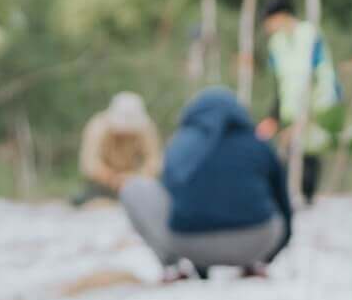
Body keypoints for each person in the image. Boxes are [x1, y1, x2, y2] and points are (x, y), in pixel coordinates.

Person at [121, 88, 292, 281]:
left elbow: (178, 202)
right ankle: (252, 265)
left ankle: (173, 268)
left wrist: (201, 266)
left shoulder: (180, 145)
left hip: (191, 245)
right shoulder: (258, 145)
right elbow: (284, 206)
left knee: (134, 187)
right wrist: (269, 256)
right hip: (256, 242)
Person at [258, 0, 344, 205]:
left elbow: (320, 73)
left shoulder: (310, 35)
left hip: (317, 105)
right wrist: (274, 116)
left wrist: (314, 111)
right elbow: (279, 83)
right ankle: (292, 199)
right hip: (290, 110)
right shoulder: (275, 44)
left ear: (281, 16)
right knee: (288, 157)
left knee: (309, 157)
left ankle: (308, 201)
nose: (268, 27)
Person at [71, 92, 161, 206]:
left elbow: (154, 161)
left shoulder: (147, 128)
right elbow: (89, 164)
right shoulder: (97, 127)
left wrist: (134, 178)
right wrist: (112, 178)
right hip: (102, 184)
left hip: (135, 183)